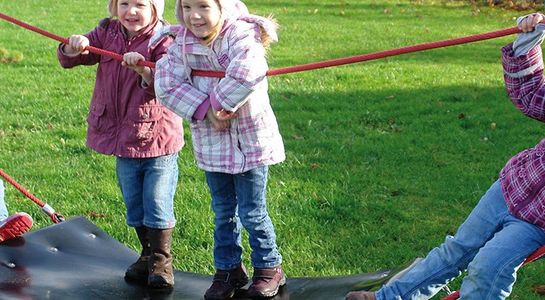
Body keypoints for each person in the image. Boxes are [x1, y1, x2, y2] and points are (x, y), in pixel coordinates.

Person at [346, 12, 545, 300]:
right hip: (515, 185)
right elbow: (531, 96)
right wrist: (528, 42)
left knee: (487, 268)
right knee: (456, 249)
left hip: (537, 223)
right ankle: (387, 298)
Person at [153, 0, 286, 298]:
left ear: (222, 7)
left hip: (249, 141)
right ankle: (228, 270)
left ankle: (269, 267)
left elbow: (247, 72)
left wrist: (218, 103)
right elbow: (165, 83)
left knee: (253, 211)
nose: (194, 16)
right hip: (212, 142)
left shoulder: (241, 34)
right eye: (186, 7)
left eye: (203, 6)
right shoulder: (182, 42)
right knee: (223, 212)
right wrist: (204, 108)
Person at [56, 0, 183, 289]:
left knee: (157, 202)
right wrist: (73, 46)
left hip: (157, 137)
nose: (131, 11)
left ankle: (162, 262)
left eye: (140, 4)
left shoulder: (165, 39)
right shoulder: (107, 31)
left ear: (155, 8)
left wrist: (144, 72)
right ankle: (147, 254)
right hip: (123, 138)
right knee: (134, 204)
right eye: (124, 3)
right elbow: (73, 57)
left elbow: (170, 83)